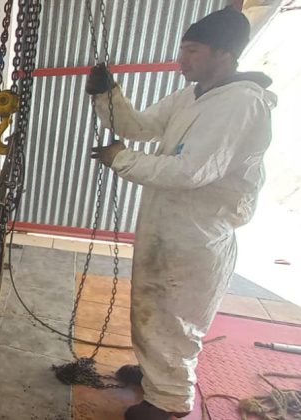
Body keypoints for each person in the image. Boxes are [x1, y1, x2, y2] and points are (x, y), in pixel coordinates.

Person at [84, 7, 276, 420]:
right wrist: (107, 95)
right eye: (182, 49)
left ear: (224, 54)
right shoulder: (193, 94)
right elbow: (139, 125)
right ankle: (156, 376)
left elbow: (192, 171)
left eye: (192, 50)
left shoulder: (240, 104)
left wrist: (122, 160)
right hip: (168, 221)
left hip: (197, 232)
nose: (181, 59)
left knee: (177, 315)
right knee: (153, 303)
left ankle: (169, 401)